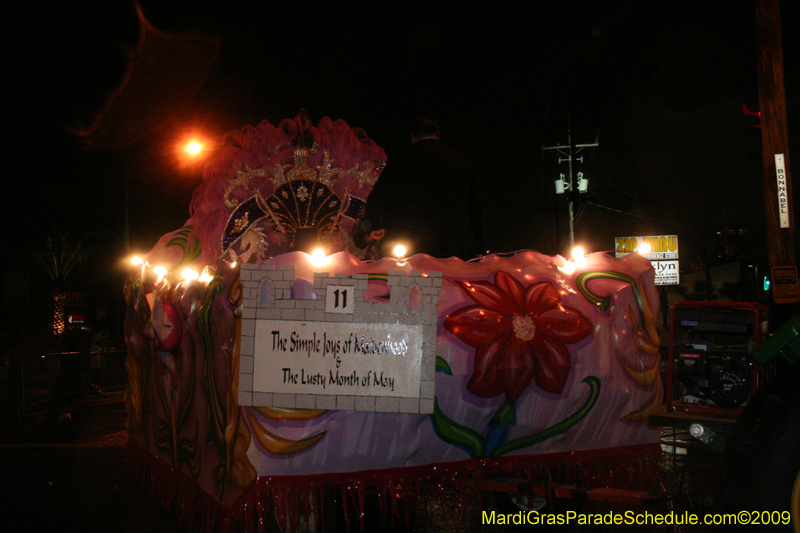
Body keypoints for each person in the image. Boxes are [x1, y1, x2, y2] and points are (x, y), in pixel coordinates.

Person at [354, 118, 485, 260]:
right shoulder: (463, 163)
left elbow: (381, 195)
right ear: (438, 135)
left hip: (409, 243)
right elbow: (475, 209)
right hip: (454, 245)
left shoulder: (402, 157)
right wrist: (479, 247)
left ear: (413, 137)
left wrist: (371, 226)